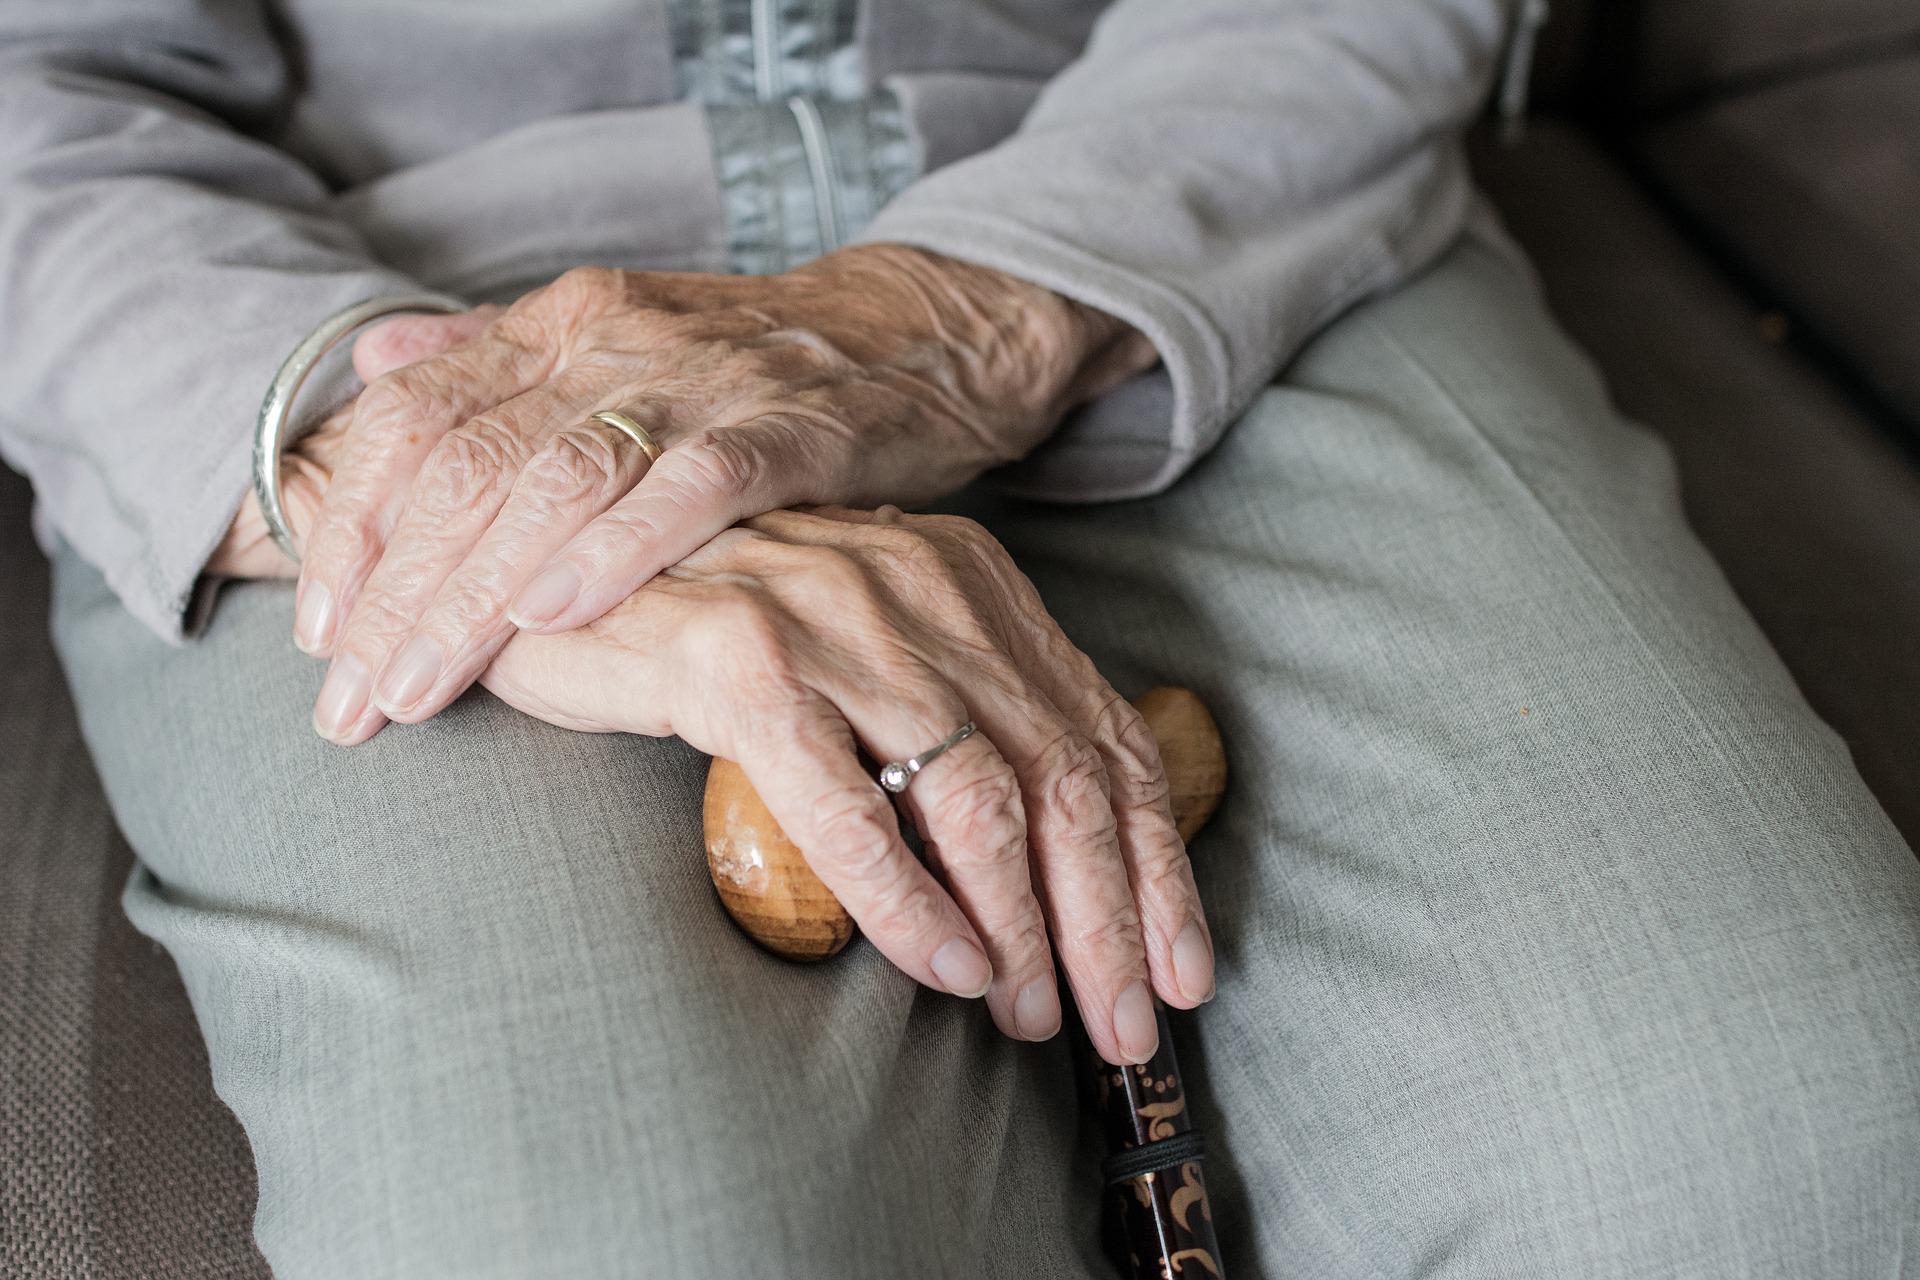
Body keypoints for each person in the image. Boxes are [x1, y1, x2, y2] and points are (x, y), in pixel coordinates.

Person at [5, 1, 1916, 1276]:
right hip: (359, 318)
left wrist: (952, 312)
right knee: (606, 1242)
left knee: (1779, 1158)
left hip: (1205, 205)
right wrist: (434, 470)